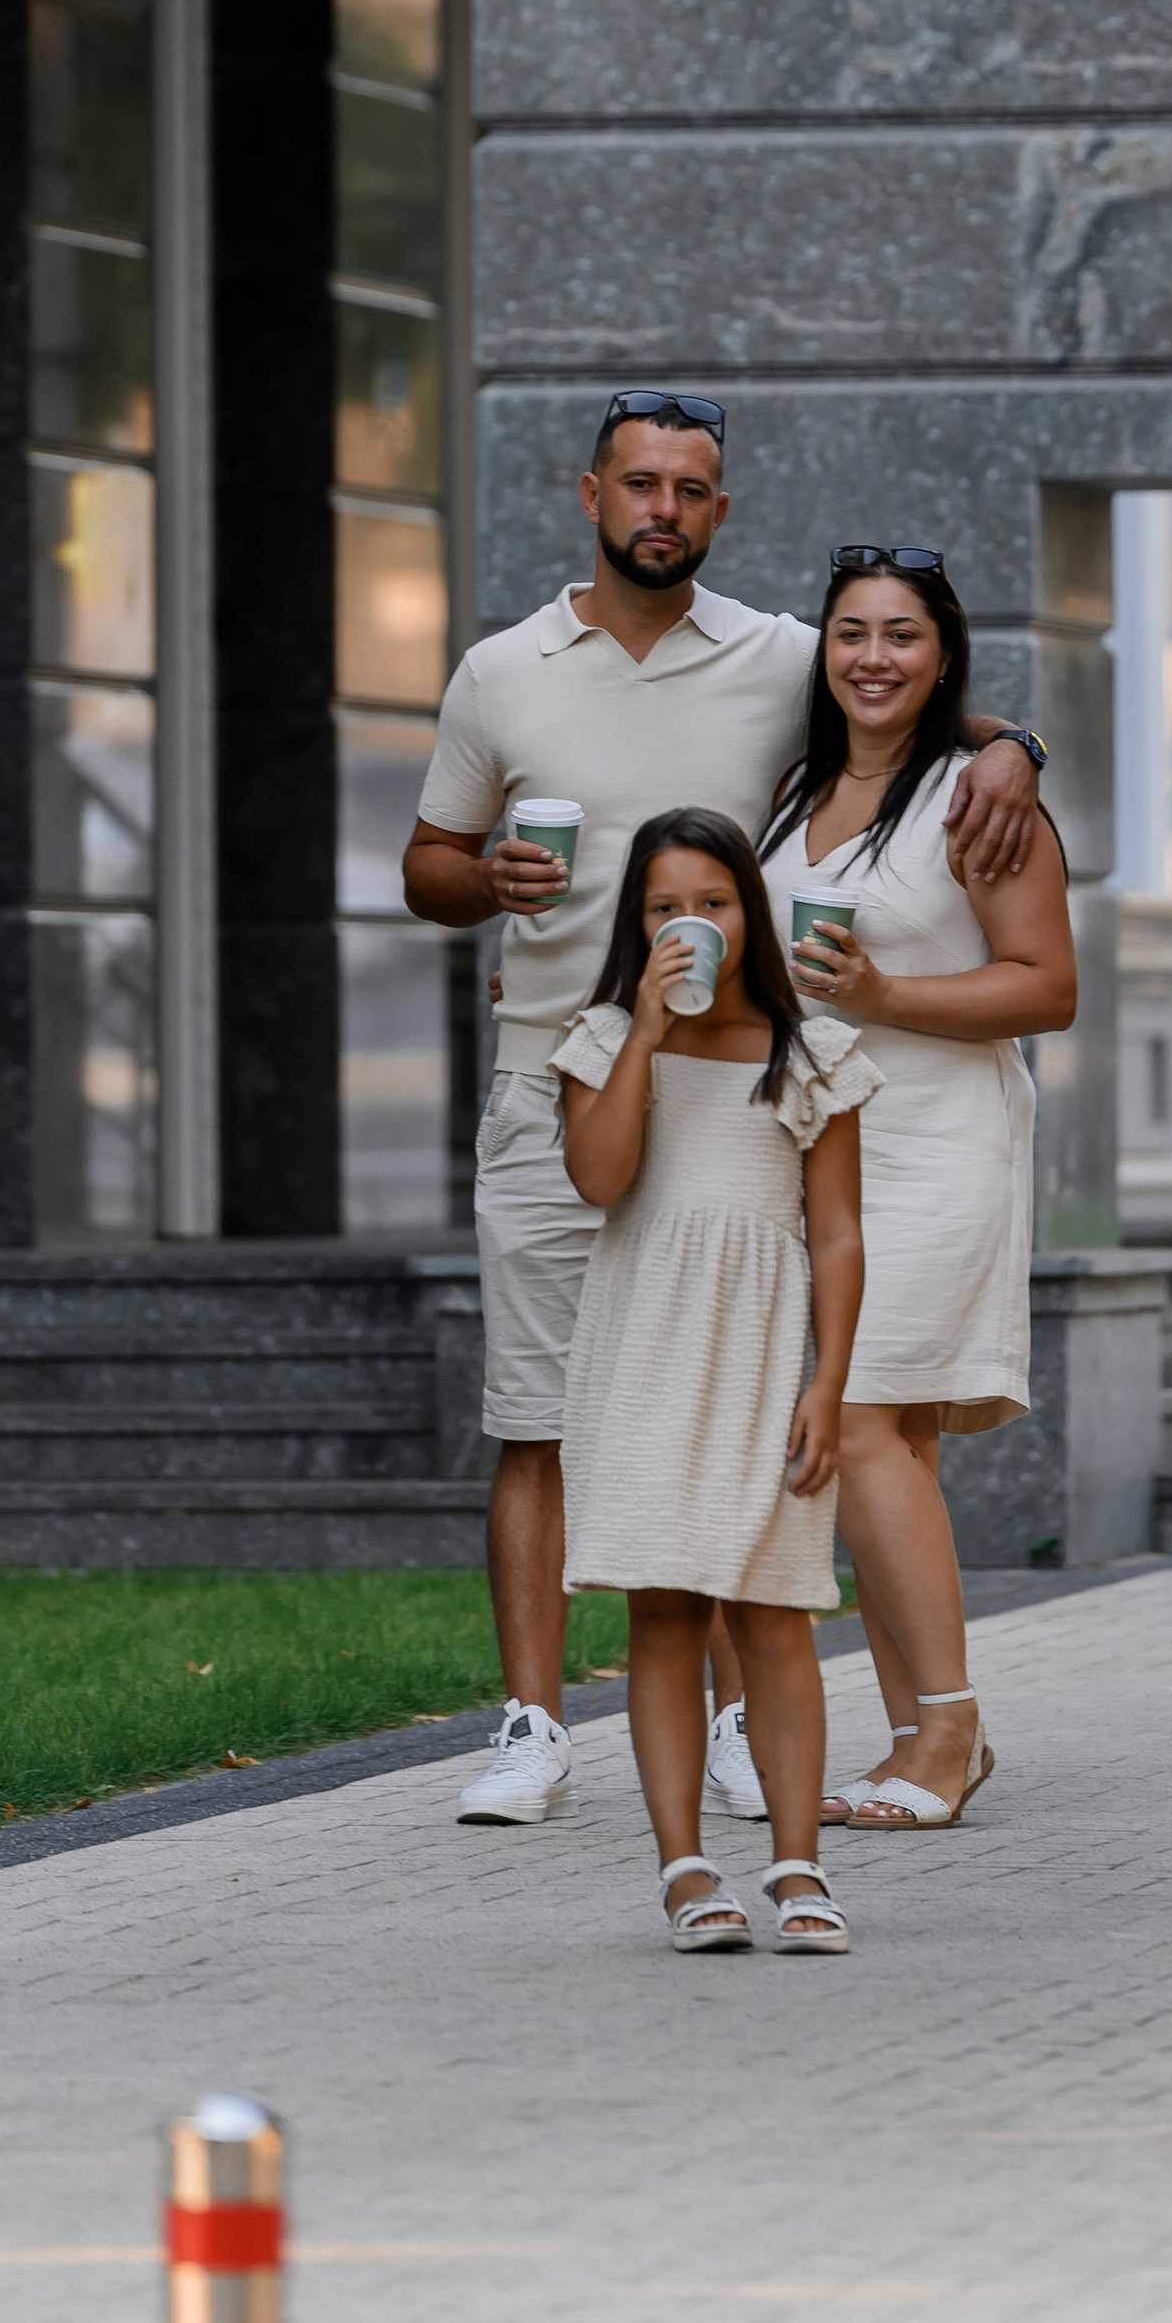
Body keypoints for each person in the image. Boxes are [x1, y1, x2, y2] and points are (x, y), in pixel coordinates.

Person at [400, 390, 1046, 1828]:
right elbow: (425, 862)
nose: (664, 510)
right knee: (537, 1414)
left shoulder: (780, 654)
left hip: (741, 1098)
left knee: (752, 1406)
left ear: (720, 511)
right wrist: (486, 879)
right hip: (551, 1068)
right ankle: (530, 1727)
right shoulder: (501, 670)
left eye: (690, 489)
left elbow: (914, 693)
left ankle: (751, 1723)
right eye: (641, 484)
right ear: (590, 495)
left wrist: (1022, 750)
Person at [761, 545, 1077, 1832]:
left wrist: (883, 992)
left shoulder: (976, 798)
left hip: (938, 1136)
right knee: (888, 1443)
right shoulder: (792, 785)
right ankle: (919, 1735)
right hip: (819, 1144)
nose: (873, 656)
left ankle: (947, 1725)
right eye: (851, 631)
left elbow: (1047, 985)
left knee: (860, 1418)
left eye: (902, 634)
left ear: (944, 655)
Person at [554, 807, 877, 1950]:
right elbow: (598, 1178)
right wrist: (645, 1032)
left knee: (776, 1609)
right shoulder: (603, 1037)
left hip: (760, 1359)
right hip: (645, 1356)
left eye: (712, 900)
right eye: (663, 906)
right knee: (664, 1610)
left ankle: (797, 1863)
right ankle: (685, 1867)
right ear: (634, 924)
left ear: (751, 909)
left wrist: (827, 1386)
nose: (689, 922)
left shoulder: (809, 1052)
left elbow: (836, 1231)